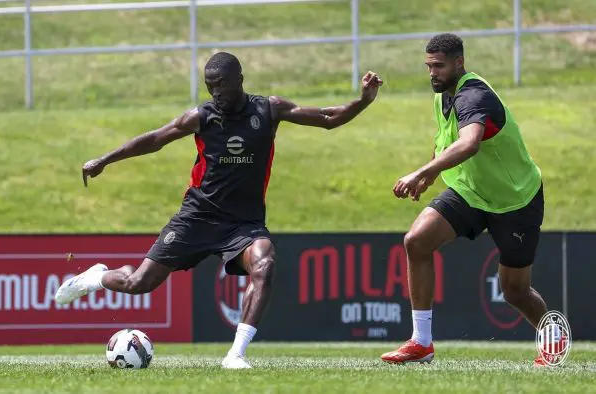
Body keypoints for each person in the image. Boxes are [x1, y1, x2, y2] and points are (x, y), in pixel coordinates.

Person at [56, 51, 383, 369]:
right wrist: (105, 159)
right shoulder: (201, 117)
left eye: (221, 85)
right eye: (210, 86)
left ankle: (236, 354)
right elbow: (156, 139)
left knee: (265, 263)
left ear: (239, 80)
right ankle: (96, 277)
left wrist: (363, 101)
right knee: (139, 283)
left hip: (244, 223)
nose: (216, 93)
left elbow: (328, 118)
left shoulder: (268, 109)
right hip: (196, 217)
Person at [380, 33, 553, 366]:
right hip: (470, 192)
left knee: (514, 290)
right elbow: (447, 141)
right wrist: (431, 174)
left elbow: (469, 143)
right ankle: (421, 342)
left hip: (514, 200)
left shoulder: (474, 96)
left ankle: (553, 337)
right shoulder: (443, 94)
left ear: (459, 63)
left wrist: (418, 172)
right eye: (429, 66)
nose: (433, 72)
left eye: (439, 66)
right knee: (416, 241)